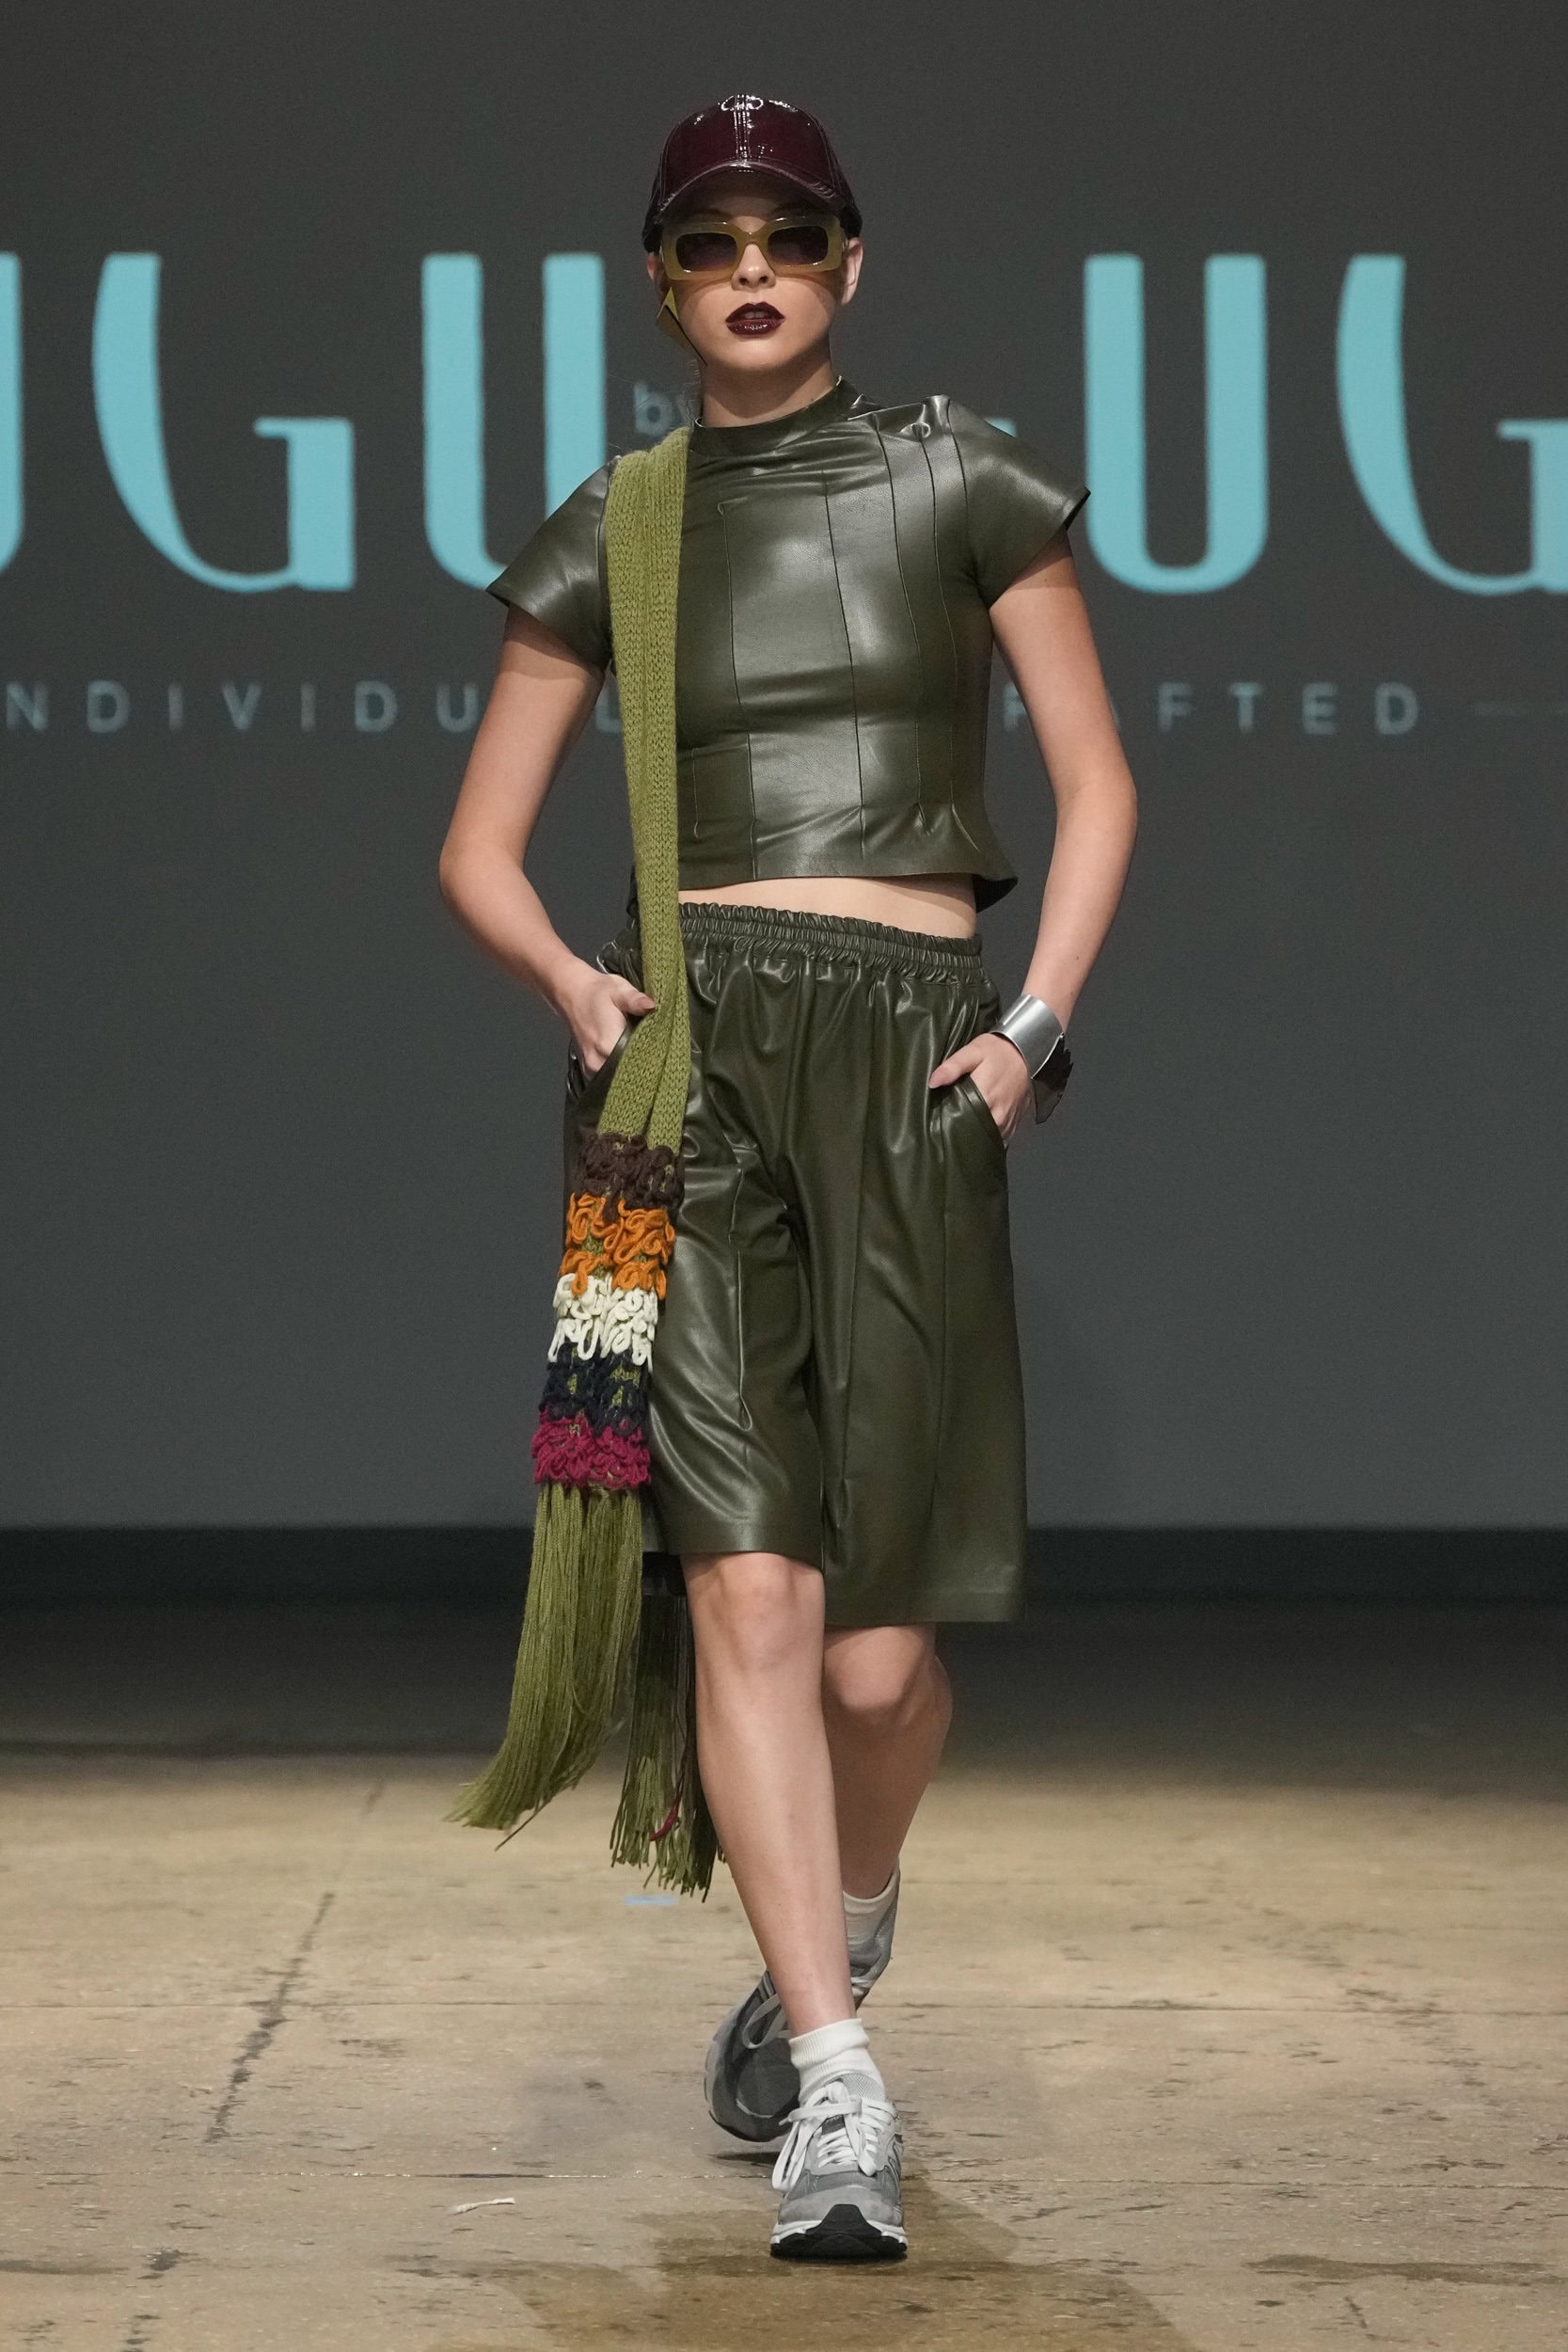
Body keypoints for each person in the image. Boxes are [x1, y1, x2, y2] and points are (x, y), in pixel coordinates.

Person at [438, 91, 1137, 2264]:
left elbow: (1099, 782)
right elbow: (477, 843)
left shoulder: (962, 479)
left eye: (789, 235)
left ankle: (845, 1895)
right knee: (746, 1588)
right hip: (695, 1074)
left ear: (848, 265)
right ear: (663, 285)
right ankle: (837, 2070)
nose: (752, 269)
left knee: (876, 1670)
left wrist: (1030, 1033)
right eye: (710, 242)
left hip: (915, 1061)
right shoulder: (619, 526)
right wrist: (571, 976)